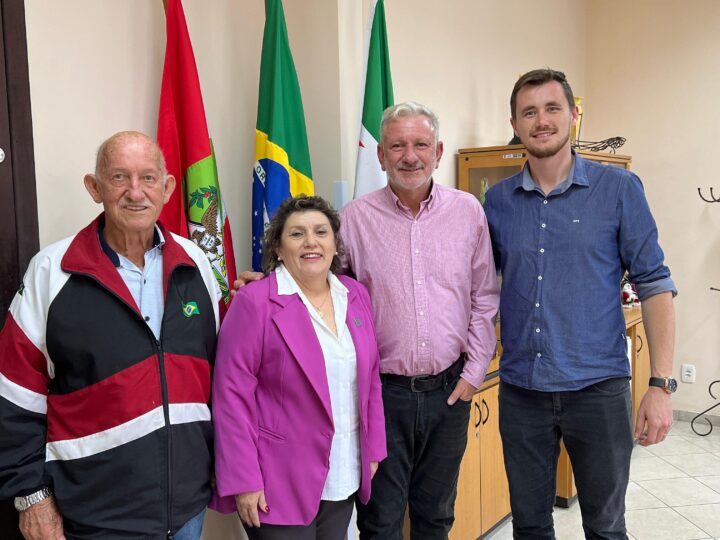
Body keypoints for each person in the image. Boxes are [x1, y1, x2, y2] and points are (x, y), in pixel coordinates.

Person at [484, 68, 677, 539]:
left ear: (573, 114)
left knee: (607, 527)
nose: (542, 120)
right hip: (522, 391)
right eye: (529, 112)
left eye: (552, 108)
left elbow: (654, 284)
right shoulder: (497, 202)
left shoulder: (619, 191)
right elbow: (477, 288)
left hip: (599, 390)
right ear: (515, 122)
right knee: (530, 526)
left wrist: (661, 385)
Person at [0, 131, 221, 539]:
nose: (135, 192)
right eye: (119, 177)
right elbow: (15, 393)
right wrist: (29, 495)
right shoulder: (52, 271)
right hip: (97, 516)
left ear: (168, 188)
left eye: (148, 178)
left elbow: (216, 372)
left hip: (187, 509)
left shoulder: (196, 264)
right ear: (95, 187)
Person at [211, 195, 386, 540]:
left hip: (343, 470)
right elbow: (231, 397)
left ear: (336, 245)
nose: (311, 242)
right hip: (277, 481)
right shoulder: (254, 302)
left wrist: (374, 449)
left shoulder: (354, 295)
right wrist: (243, 479)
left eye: (321, 232)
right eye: (297, 234)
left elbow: (371, 380)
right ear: (277, 247)